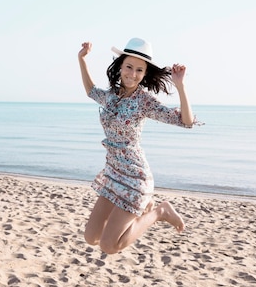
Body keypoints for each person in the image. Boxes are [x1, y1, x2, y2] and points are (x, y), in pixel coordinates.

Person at [78, 37, 199, 254]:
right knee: (91, 237)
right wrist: (82, 60)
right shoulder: (111, 96)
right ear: (120, 66)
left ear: (144, 74)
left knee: (109, 246)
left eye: (139, 70)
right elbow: (91, 90)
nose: (132, 74)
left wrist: (180, 86)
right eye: (129, 67)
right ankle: (143, 210)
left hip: (135, 178)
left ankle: (159, 212)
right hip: (113, 173)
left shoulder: (144, 101)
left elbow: (186, 121)